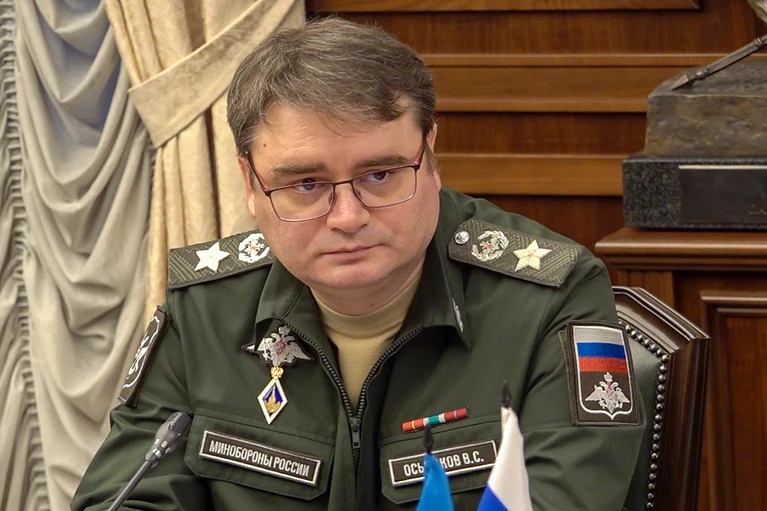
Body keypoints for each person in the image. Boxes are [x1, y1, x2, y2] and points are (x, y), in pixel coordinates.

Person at [71, 17, 645, 511]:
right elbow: (126, 496)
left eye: (380, 175)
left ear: (430, 156)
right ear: (251, 181)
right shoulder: (205, 308)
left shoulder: (549, 299)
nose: (347, 216)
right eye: (306, 184)